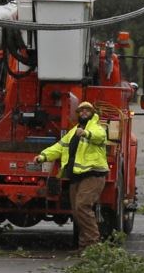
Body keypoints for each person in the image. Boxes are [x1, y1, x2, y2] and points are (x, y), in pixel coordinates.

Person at [33, 101, 109, 250]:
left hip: (93, 175)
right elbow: (59, 147)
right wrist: (43, 156)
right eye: (81, 111)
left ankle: (93, 246)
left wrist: (86, 133)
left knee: (82, 206)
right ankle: (84, 247)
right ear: (78, 114)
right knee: (77, 212)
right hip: (76, 177)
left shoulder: (97, 127)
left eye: (87, 110)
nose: (84, 113)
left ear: (93, 113)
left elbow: (100, 136)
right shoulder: (74, 131)